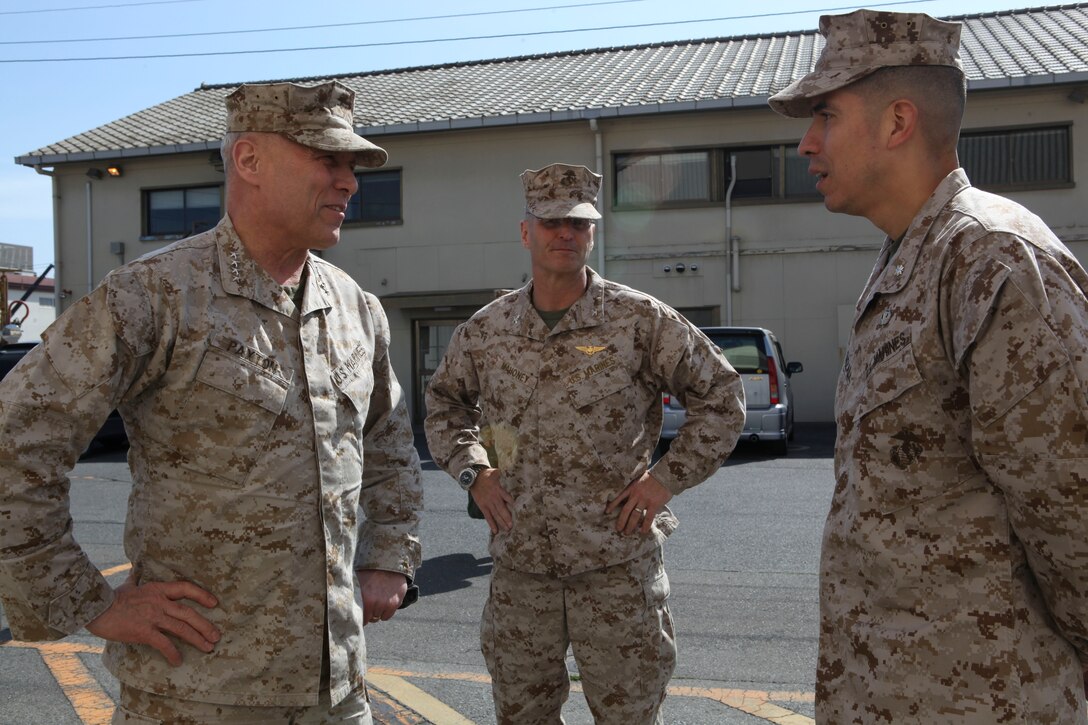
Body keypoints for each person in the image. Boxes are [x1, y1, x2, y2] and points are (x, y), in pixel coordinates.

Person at [0, 81, 423, 724]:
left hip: (338, 690)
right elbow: (16, 439)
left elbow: (388, 441)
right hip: (195, 692)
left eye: (352, 166)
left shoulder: (355, 308)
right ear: (248, 160)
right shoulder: (154, 295)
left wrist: (390, 555)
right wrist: (87, 600)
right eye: (326, 159)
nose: (349, 182)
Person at [769, 10, 1088, 723]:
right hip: (890, 694)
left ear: (898, 121)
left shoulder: (993, 259)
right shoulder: (911, 259)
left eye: (825, 115)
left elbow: (1072, 503)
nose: (806, 142)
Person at [424, 162, 745, 724]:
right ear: (526, 232)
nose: (565, 234)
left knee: (630, 717)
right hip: (522, 569)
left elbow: (721, 395)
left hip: (616, 564)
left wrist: (663, 481)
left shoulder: (639, 320)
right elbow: (445, 405)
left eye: (578, 223)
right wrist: (475, 474)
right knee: (522, 715)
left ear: (593, 233)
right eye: (551, 222)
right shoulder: (486, 330)